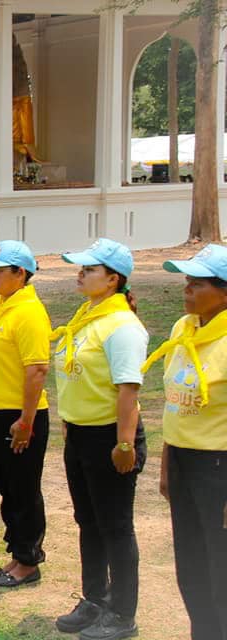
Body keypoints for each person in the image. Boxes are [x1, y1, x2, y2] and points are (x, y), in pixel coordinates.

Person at [51, 238, 147, 640]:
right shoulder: (88, 316)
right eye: (81, 268)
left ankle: (122, 613)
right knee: (88, 521)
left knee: (116, 526)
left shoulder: (122, 326)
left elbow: (128, 389)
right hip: (81, 434)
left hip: (111, 437)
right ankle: (95, 598)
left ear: (112, 280)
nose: (81, 274)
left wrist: (125, 444)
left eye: (89, 270)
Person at [142, 244, 227, 640]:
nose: (187, 289)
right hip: (182, 462)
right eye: (187, 281)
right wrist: (165, 465)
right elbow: (174, 408)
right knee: (190, 562)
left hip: (219, 467)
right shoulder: (183, 328)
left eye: (197, 283)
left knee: (220, 564)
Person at [0, 240, 50, 588]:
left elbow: (36, 371)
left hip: (18, 416)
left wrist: (26, 420)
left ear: (21, 273)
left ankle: (28, 559)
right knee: (6, 485)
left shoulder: (29, 312)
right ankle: (16, 554)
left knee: (22, 489)